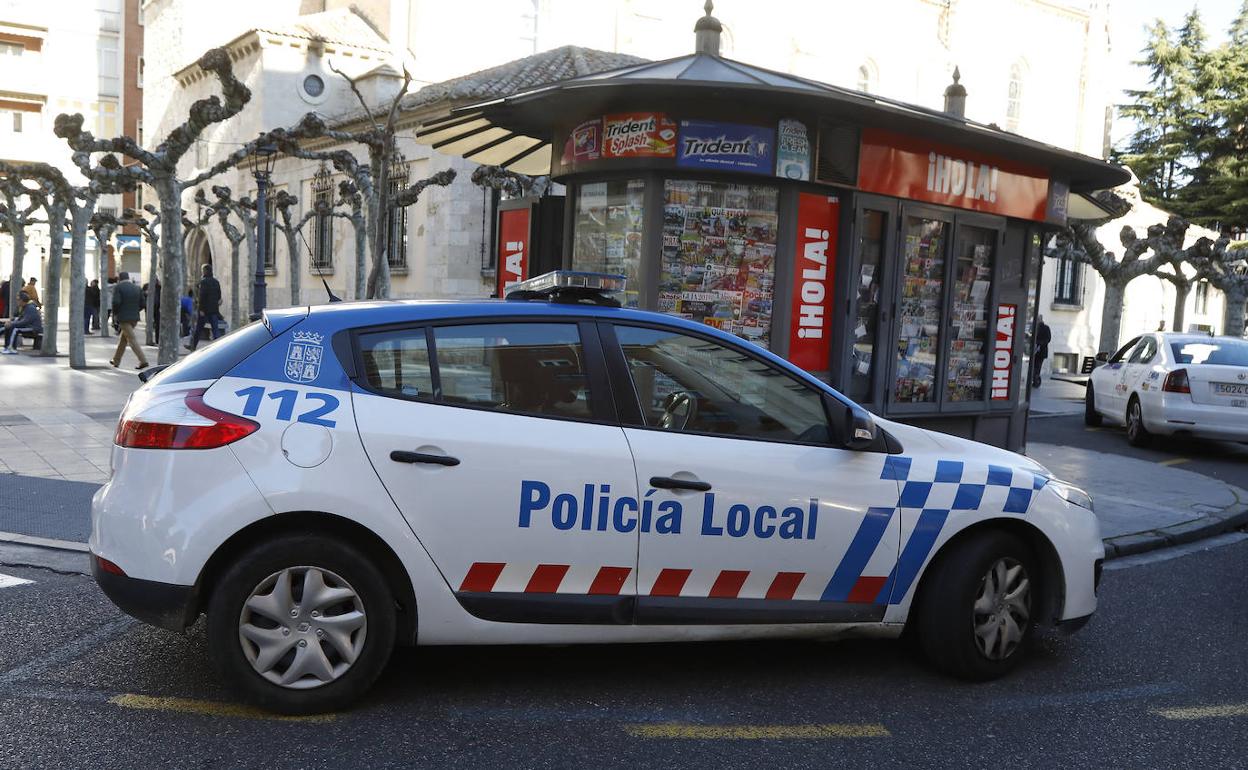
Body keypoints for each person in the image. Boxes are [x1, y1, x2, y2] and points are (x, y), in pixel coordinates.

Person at [109, 271, 148, 370]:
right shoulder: (137, 288)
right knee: (124, 339)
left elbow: (116, 302)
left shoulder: (118, 288)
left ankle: (143, 360)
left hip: (123, 317)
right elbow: (143, 303)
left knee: (131, 339)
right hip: (134, 318)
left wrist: (115, 314)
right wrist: (135, 310)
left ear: (119, 279)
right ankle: (116, 360)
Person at [188, 264, 223, 351]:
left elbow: (202, 296)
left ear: (205, 271)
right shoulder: (216, 282)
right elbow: (219, 296)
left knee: (198, 329)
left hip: (205, 310)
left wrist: (201, 309)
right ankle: (218, 347)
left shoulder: (203, 282)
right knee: (215, 330)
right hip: (214, 309)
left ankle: (192, 346)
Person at [1032, 315, 1051, 388]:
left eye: (1037, 320)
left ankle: (1036, 380)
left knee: (1037, 367)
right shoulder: (1035, 328)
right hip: (1035, 351)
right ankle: (1035, 380)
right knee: (1034, 367)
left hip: (1041, 351)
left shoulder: (1045, 328)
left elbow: (1048, 339)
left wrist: (1039, 342)